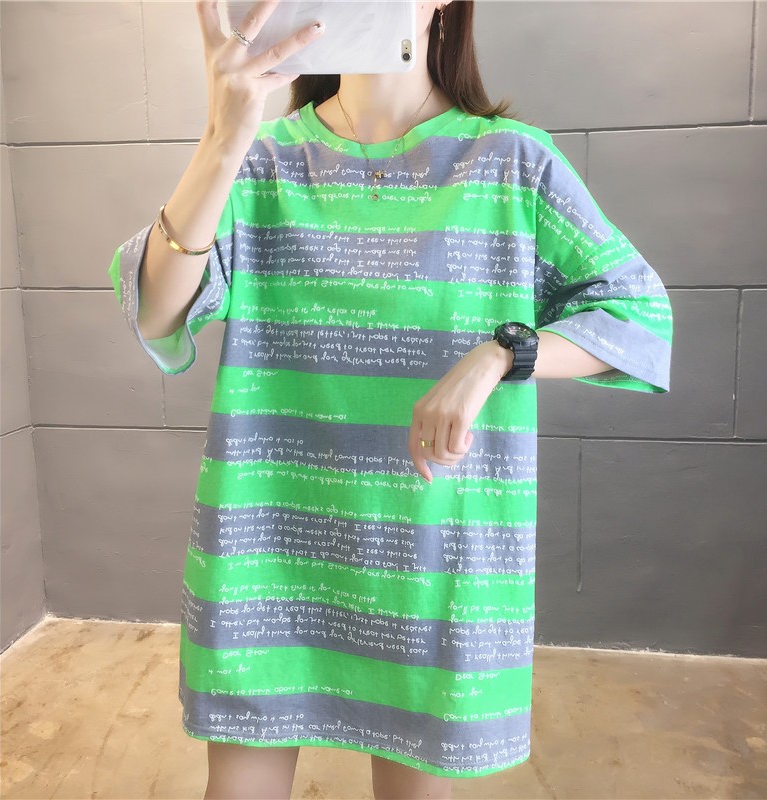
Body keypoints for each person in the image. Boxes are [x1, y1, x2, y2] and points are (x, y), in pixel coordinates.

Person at [107, 1, 673, 798]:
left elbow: (640, 315)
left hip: (432, 555)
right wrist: (222, 139)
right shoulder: (261, 162)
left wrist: (501, 352)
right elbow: (156, 312)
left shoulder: (511, 163)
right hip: (267, 550)